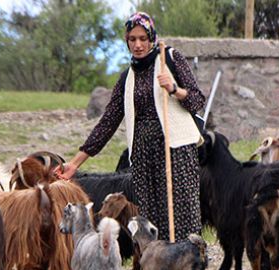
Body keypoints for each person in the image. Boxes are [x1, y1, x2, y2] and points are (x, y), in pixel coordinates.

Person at [57, 11, 205, 245]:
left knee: (181, 212)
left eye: (142, 38)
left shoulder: (171, 59)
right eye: (132, 39)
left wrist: (175, 89)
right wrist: (74, 163)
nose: (138, 45)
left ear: (151, 37)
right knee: (151, 217)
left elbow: (197, 100)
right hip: (143, 158)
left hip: (175, 152)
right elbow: (107, 123)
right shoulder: (127, 78)